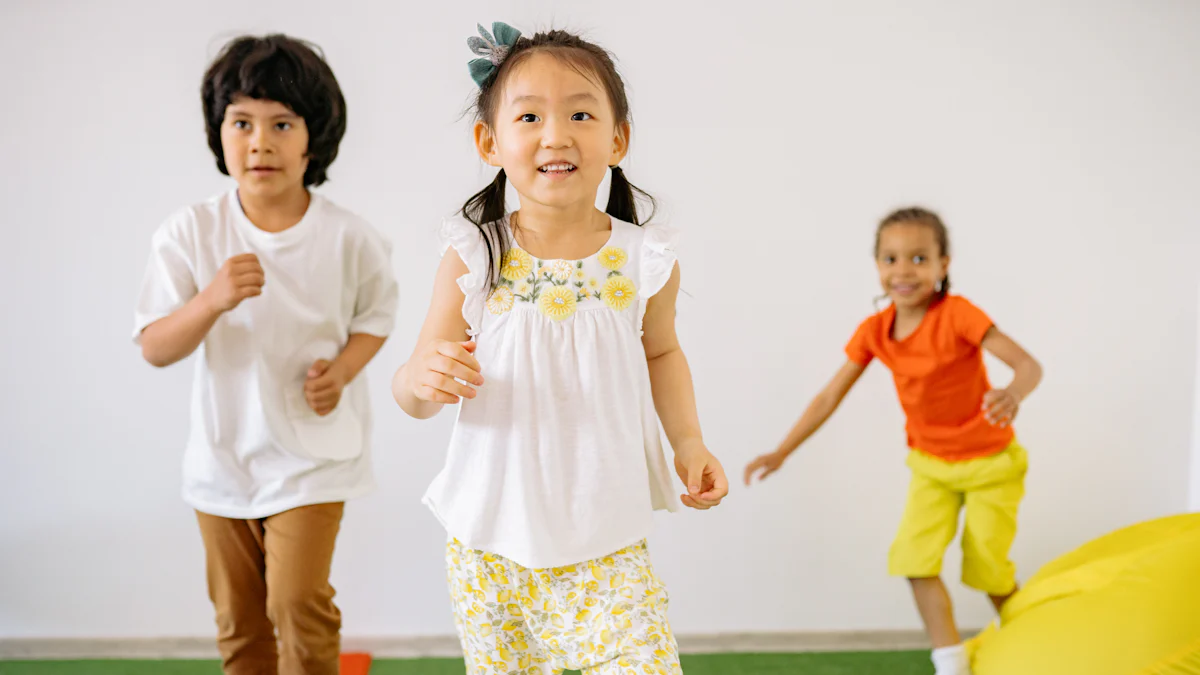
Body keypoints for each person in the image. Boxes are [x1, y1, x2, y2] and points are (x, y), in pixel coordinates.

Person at [392, 22, 728, 674]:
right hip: (490, 547)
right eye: (529, 116)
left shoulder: (644, 258)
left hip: (607, 541)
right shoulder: (473, 256)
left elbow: (662, 354)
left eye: (580, 112)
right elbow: (413, 393)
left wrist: (688, 441)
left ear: (618, 138)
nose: (556, 134)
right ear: (490, 142)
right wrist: (419, 376)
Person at [132, 33, 398, 675]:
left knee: (297, 601)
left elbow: (377, 317)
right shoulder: (190, 232)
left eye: (282, 123)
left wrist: (342, 371)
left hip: (312, 458)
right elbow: (154, 347)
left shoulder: (349, 237)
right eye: (242, 122)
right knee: (239, 620)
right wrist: (211, 300)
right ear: (220, 135)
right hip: (223, 462)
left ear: (315, 138)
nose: (260, 141)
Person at [745, 207, 1043, 675]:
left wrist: (1012, 392)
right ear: (878, 266)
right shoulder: (875, 332)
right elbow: (829, 396)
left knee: (986, 565)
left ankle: (1036, 638)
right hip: (931, 467)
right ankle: (950, 661)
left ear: (944, 265)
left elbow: (1029, 365)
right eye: (891, 258)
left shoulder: (959, 315)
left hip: (991, 464)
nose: (904, 270)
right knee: (914, 561)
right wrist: (783, 450)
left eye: (920, 258)